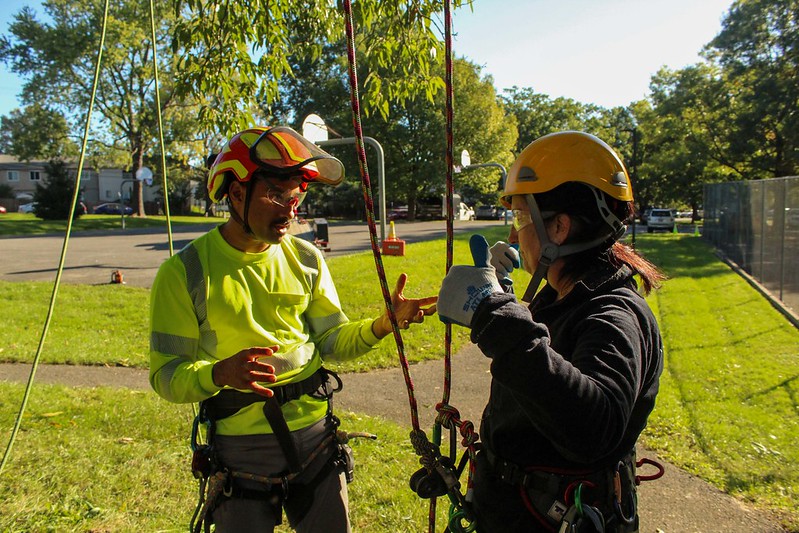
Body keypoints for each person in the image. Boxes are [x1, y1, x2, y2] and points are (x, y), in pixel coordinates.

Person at [149, 125, 437, 532]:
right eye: (275, 195)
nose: (289, 210)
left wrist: (382, 325)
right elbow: (166, 376)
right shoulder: (185, 273)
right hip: (241, 451)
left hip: (317, 441)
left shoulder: (306, 258)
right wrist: (220, 373)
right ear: (235, 194)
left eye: (296, 196)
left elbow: (332, 341)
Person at [437, 131, 665, 532]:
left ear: (558, 227)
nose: (513, 234)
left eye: (522, 217)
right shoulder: (569, 295)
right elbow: (545, 367)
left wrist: (493, 312)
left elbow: (593, 428)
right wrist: (505, 297)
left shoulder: (614, 314)